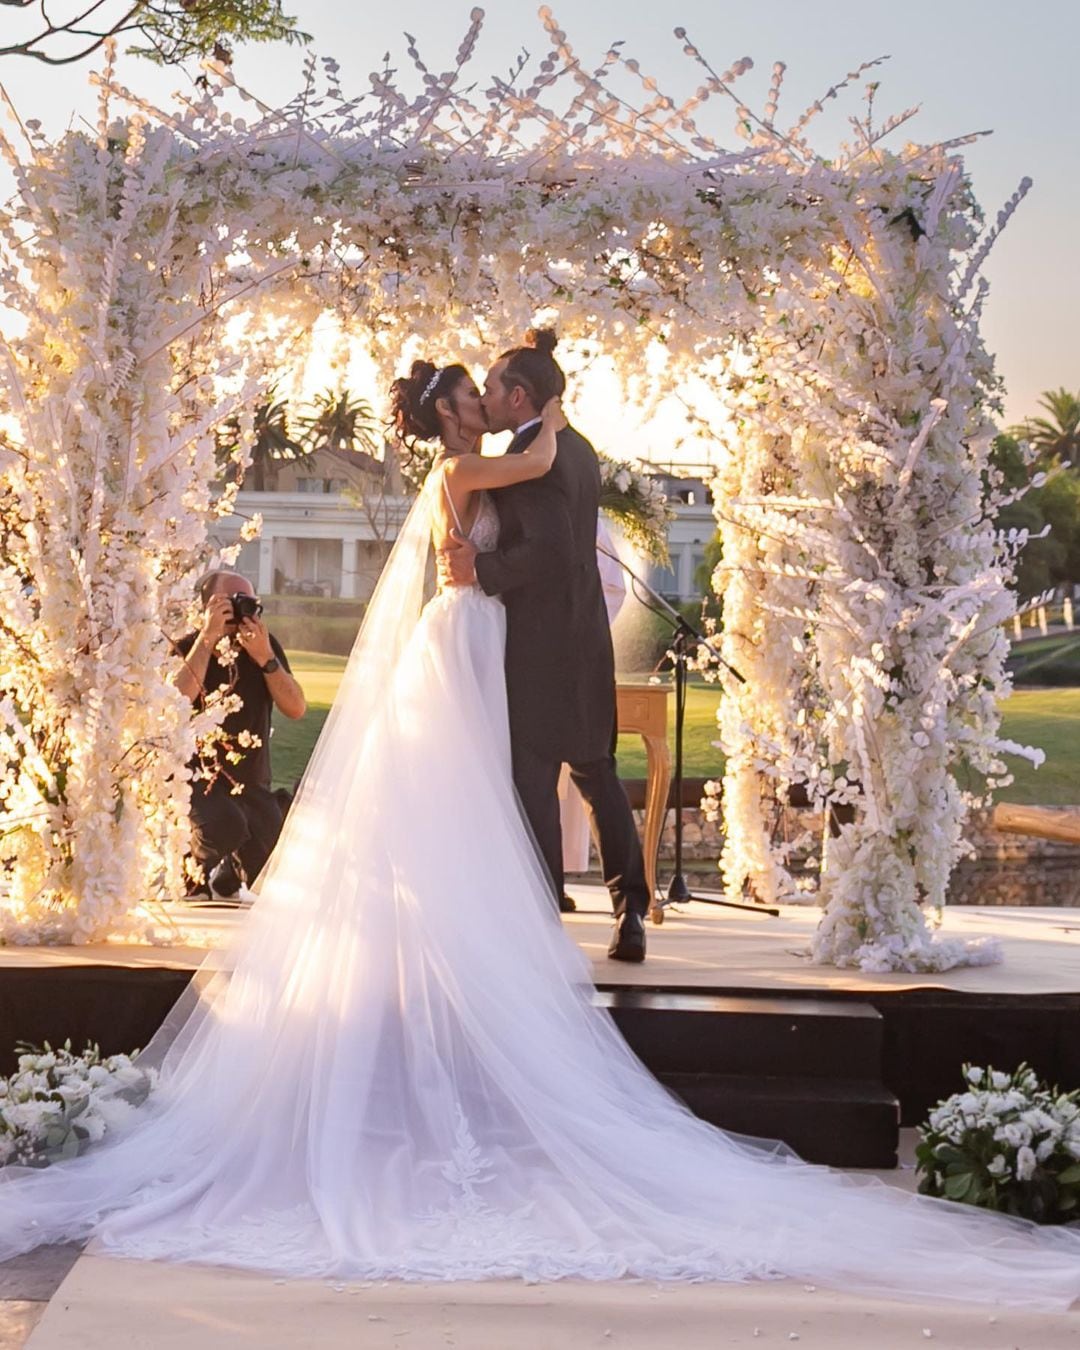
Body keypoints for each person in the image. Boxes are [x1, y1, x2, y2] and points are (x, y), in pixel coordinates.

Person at [0, 357, 1077, 1313]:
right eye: (470, 398)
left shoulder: (469, 468)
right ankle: (480, 950)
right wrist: (552, 418)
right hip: (464, 634)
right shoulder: (468, 472)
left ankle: (487, 941)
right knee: (458, 794)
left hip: (478, 633)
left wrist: (542, 423)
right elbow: (535, 468)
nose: (485, 407)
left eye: (488, 395)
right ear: (450, 418)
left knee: (466, 799)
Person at [437, 331, 651, 962]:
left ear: (520, 396)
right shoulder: (576, 449)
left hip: (536, 649)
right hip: (586, 641)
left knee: (534, 786)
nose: (487, 397)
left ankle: (541, 927)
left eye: (494, 387)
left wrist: (485, 569)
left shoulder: (535, 457)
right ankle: (629, 910)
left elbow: (553, 550)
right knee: (597, 775)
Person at [172, 570, 307, 898]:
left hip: (251, 782)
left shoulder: (263, 647)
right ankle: (199, 870)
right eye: (230, 602)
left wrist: (265, 658)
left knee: (271, 864)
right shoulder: (189, 647)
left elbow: (296, 707)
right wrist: (208, 637)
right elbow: (175, 700)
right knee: (224, 826)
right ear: (207, 607)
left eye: (247, 602)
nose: (240, 611)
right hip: (198, 782)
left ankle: (231, 869)